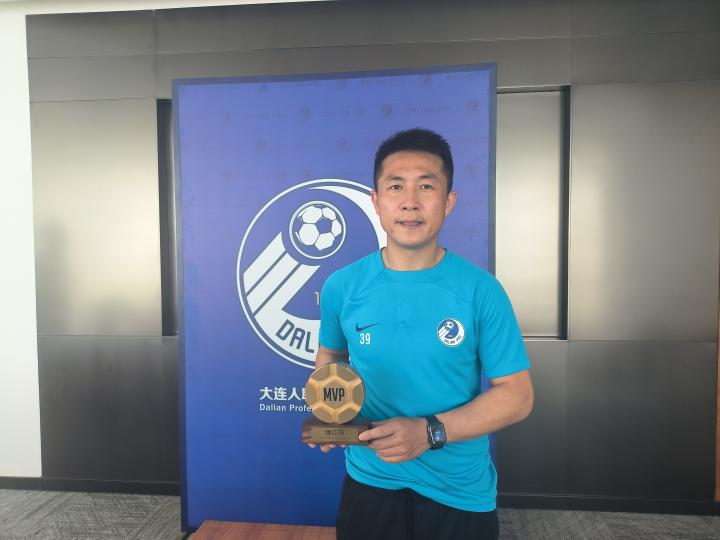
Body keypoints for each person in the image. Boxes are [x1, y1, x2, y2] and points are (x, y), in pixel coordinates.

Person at [309, 128, 533, 540]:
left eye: (426, 186)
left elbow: (517, 396)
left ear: (449, 202)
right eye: (396, 186)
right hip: (369, 484)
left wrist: (430, 432)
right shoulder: (342, 286)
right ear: (376, 201)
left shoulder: (481, 291)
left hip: (458, 493)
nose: (410, 201)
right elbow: (331, 357)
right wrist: (332, 410)